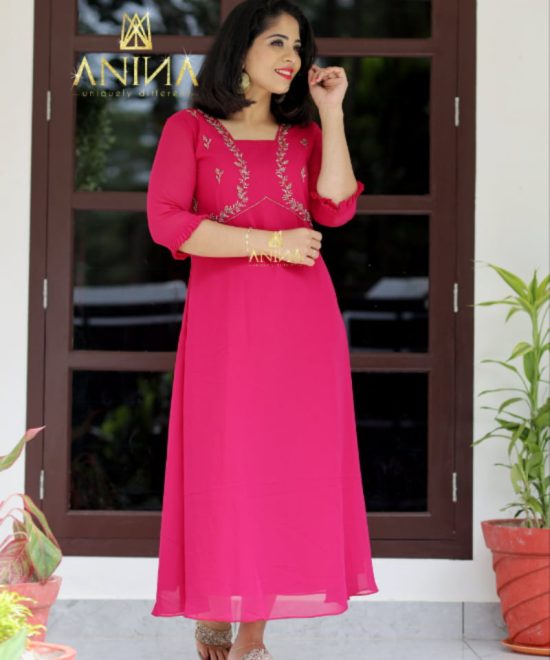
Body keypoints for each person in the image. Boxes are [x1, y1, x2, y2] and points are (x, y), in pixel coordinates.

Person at [146, 1, 379, 658]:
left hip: (303, 326)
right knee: (226, 463)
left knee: (288, 467)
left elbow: (336, 207)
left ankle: (253, 633)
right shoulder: (189, 130)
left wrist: (332, 113)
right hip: (224, 325)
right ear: (240, 48)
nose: (292, 58)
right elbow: (168, 222)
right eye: (278, 42)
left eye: (299, 46)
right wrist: (273, 243)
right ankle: (215, 600)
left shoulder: (304, 135)